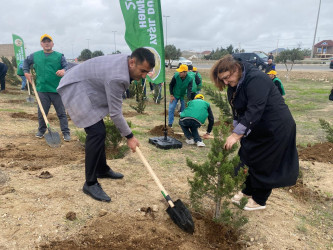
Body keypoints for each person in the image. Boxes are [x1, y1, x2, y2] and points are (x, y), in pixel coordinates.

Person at [57, 47, 155, 202]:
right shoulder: (118, 77)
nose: (143, 76)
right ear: (132, 62)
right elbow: (116, 113)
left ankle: (102, 169)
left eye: (146, 72)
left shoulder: (126, 62)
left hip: (87, 84)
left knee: (99, 130)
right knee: (96, 132)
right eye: (142, 71)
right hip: (75, 86)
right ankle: (90, 183)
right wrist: (129, 137)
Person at [210, 55, 299, 211]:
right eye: (222, 80)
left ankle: (259, 200)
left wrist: (236, 135)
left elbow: (255, 109)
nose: (225, 82)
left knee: (266, 163)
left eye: (227, 78)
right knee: (249, 156)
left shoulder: (257, 79)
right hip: (257, 127)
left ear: (236, 68)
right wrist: (237, 129)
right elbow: (236, 109)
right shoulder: (234, 82)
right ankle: (247, 191)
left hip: (275, 128)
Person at [23, 34, 70, 141]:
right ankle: (41, 130)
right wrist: (26, 72)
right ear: (41, 44)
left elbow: (66, 66)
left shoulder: (59, 56)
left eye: (49, 41)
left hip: (56, 89)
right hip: (42, 89)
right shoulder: (35, 56)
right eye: (44, 42)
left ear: (52, 43)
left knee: (61, 113)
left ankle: (66, 132)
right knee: (42, 112)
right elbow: (25, 62)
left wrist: (63, 70)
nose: (47, 43)